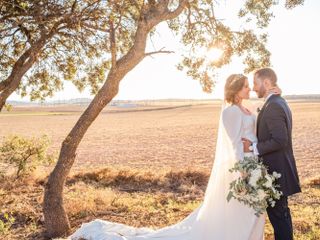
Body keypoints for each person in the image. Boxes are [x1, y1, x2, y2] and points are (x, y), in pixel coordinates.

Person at [70, 74, 269, 240]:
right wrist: (241, 171)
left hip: (253, 159)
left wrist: (271, 95)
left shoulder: (246, 107)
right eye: (244, 87)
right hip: (241, 165)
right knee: (243, 207)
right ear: (235, 90)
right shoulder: (231, 112)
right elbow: (234, 143)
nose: (249, 89)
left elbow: (257, 120)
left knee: (252, 207)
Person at [242, 68, 301, 240]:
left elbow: (280, 140)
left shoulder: (274, 105)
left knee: (279, 217)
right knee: (281, 214)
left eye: (255, 83)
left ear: (266, 83)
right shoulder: (277, 101)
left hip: (277, 172)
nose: (253, 88)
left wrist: (253, 147)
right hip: (278, 171)